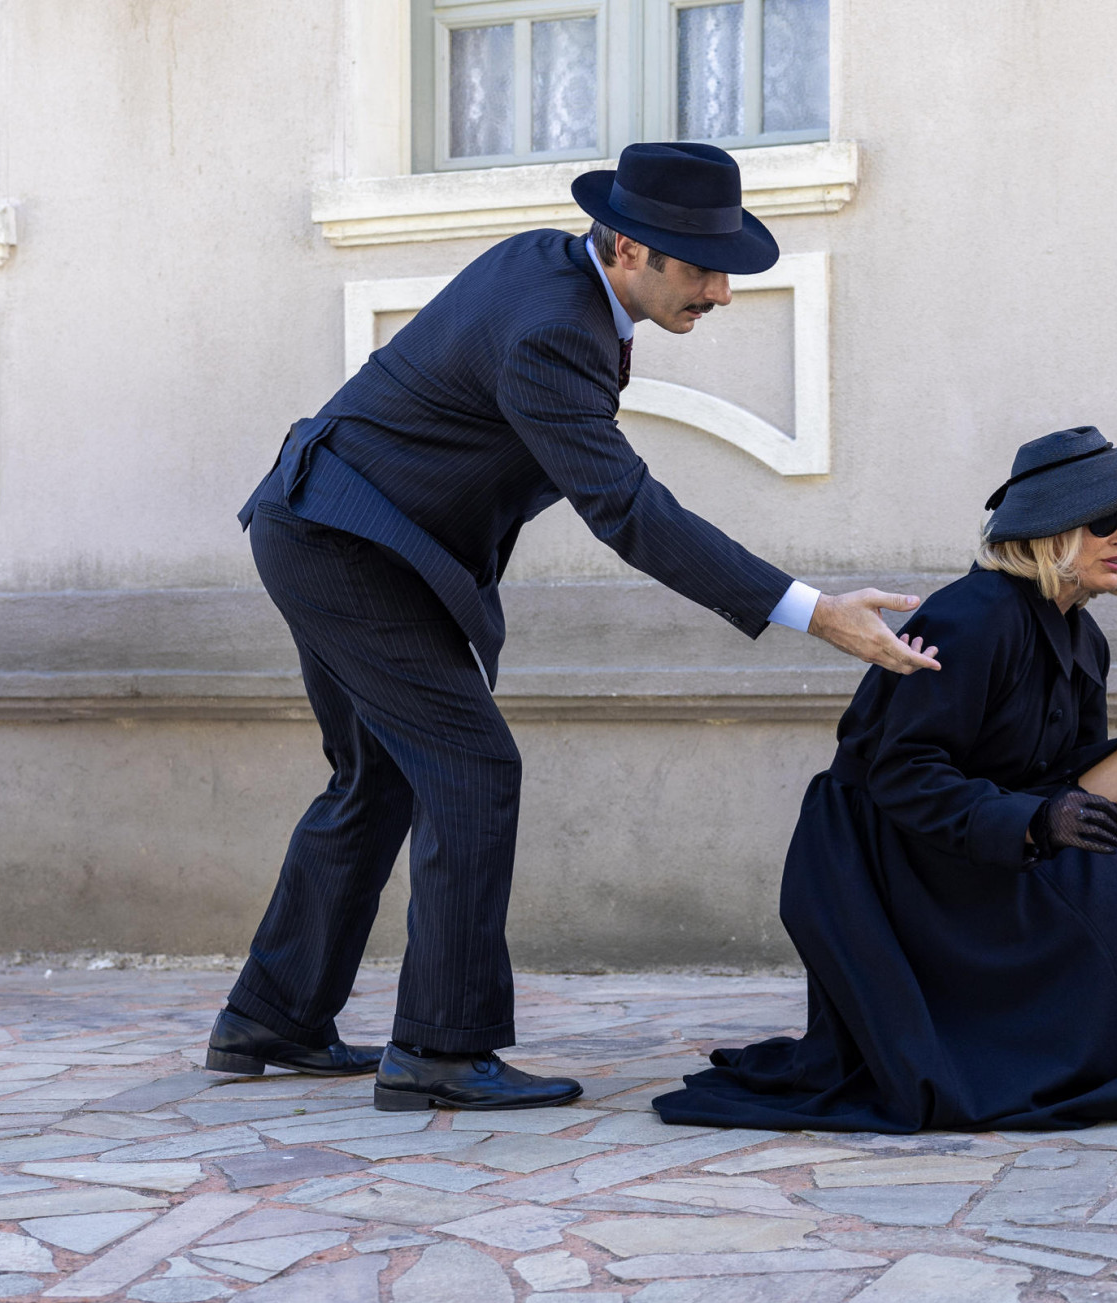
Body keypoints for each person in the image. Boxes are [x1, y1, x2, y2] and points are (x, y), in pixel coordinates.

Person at [206, 142, 940, 1113]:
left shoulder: (554, 273)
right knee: (472, 766)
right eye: (704, 268)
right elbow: (629, 510)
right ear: (630, 248)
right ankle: (436, 1048)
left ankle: (274, 1015)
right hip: (346, 547)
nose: (721, 292)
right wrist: (812, 611)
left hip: (332, 527)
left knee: (378, 777)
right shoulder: (554, 327)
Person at [654, 426, 1117, 1132]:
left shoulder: (1081, 635)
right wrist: (1032, 824)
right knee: (1110, 857)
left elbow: (1073, 775)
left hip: (975, 843)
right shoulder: (974, 616)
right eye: (1104, 519)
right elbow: (900, 771)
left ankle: (1092, 1035)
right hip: (887, 862)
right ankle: (1071, 1039)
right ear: (1048, 531)